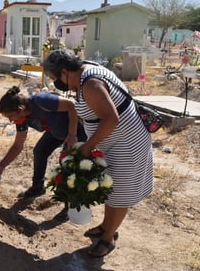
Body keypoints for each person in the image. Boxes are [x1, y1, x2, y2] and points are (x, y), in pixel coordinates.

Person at [43, 49, 153, 258]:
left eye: (55, 78)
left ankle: (108, 239)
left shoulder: (91, 84)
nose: (55, 83)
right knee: (111, 190)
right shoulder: (83, 73)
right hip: (114, 142)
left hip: (127, 143)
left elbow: (111, 119)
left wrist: (88, 146)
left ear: (65, 71)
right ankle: (105, 227)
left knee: (120, 194)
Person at [0, 86, 87, 202]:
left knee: (67, 162)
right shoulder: (22, 119)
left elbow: (71, 105)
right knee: (40, 151)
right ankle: (37, 188)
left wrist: (72, 135)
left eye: (10, 116)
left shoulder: (41, 100)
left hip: (76, 130)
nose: (11, 121)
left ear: (20, 109)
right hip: (56, 131)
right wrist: (1, 165)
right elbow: (17, 146)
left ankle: (69, 202)